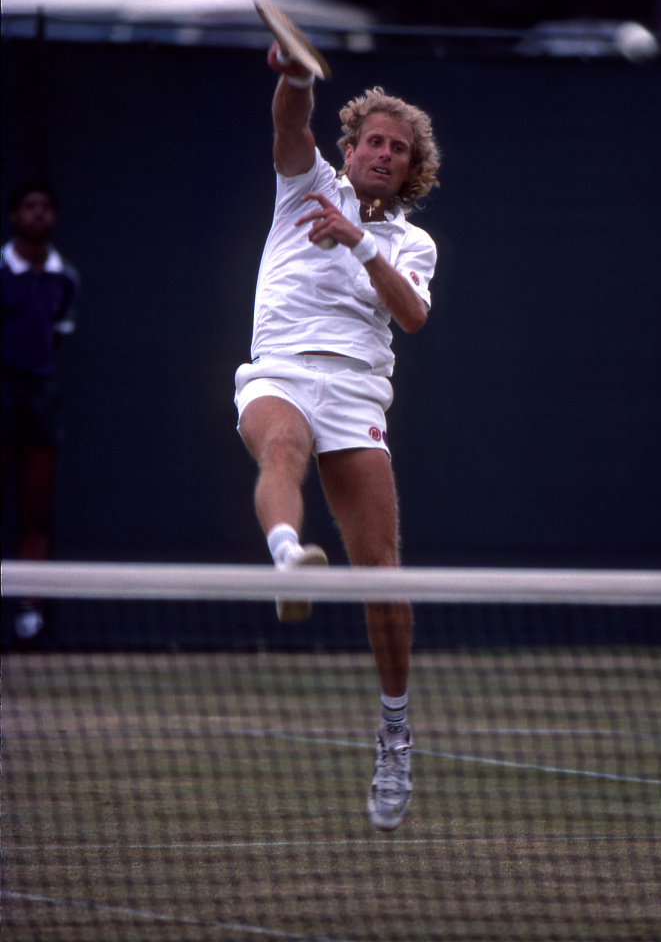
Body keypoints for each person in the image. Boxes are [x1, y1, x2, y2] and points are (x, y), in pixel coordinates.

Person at [234, 41, 440, 830]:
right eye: (373, 141)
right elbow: (292, 123)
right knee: (280, 447)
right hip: (281, 368)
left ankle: (394, 733)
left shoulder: (411, 244)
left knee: (384, 577)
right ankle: (289, 559)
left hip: (357, 392)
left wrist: (358, 242)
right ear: (349, 150)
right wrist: (293, 76)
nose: (383, 154)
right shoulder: (306, 186)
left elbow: (414, 316)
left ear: (409, 166)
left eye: (399, 148)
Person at [1, 181, 79, 644]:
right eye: (28, 207)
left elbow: (56, 335)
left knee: (36, 510)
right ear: (14, 216)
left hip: (41, 397)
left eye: (45, 207)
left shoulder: (65, 275)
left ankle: (29, 616)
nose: (37, 214)